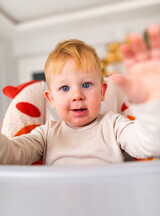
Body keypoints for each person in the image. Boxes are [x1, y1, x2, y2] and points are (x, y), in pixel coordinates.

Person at [0, 24, 160, 166]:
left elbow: (150, 145)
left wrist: (149, 106)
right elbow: (11, 156)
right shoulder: (45, 134)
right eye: (64, 88)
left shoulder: (114, 125)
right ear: (51, 99)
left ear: (102, 91)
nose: (77, 95)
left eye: (86, 85)